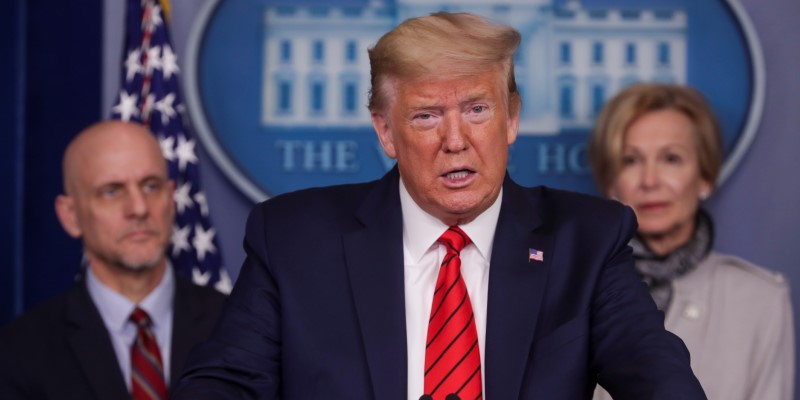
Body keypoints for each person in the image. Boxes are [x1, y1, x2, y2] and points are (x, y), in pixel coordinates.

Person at [174, 12, 705, 400]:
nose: (457, 140)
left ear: (511, 118)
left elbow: (657, 377)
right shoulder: (294, 239)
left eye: (477, 109)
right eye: (427, 116)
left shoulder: (585, 240)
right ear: (385, 130)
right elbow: (223, 385)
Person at [588, 83, 794, 400]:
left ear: (705, 176)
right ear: (610, 181)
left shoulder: (760, 299)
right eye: (631, 160)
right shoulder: (572, 290)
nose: (650, 180)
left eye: (671, 158)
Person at [0, 120, 226, 399]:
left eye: (151, 186)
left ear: (171, 198)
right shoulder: (19, 352)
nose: (139, 208)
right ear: (70, 215)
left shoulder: (233, 327)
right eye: (112, 191)